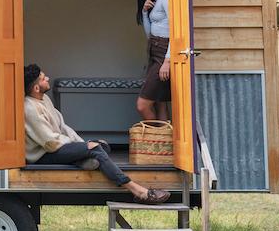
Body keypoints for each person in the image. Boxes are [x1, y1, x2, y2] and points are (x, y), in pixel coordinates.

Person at [24, 64, 171, 204]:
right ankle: (138, 191)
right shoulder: (30, 108)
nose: (48, 78)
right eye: (43, 79)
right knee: (95, 149)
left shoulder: (45, 99)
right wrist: (84, 147)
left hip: (58, 146)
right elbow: (50, 141)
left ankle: (83, 160)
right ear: (36, 87)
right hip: (44, 154)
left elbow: (63, 127)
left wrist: (82, 145)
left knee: (102, 145)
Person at [134, 0, 171, 123]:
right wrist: (144, 12)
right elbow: (150, 35)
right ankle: (165, 145)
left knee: (143, 105)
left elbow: (176, 31)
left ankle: (155, 143)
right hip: (154, 51)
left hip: (164, 53)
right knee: (160, 102)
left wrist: (167, 61)